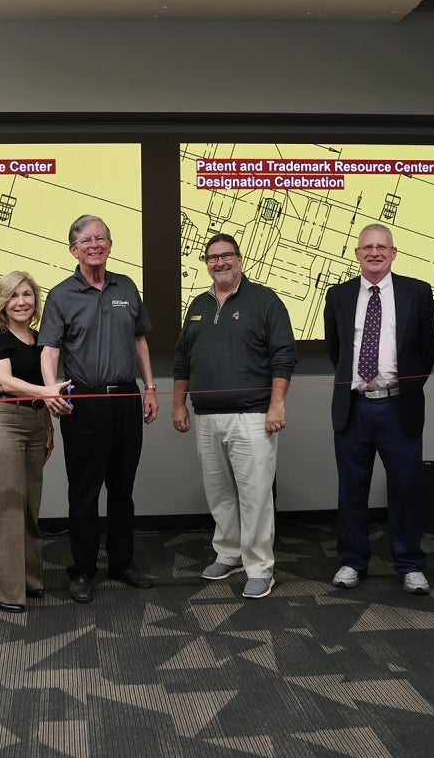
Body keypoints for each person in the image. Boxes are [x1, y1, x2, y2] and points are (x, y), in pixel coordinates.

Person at [40, 214, 159, 604]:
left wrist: (150, 387)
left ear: (110, 244)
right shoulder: (61, 295)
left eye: (101, 238)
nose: (95, 244)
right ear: (73, 249)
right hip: (85, 403)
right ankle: (83, 571)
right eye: (86, 240)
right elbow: (51, 349)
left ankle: (123, 564)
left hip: (126, 399)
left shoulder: (127, 286)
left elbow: (140, 340)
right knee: (85, 493)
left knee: (123, 490)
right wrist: (49, 390)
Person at [172, 234, 296, 599]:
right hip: (207, 417)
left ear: (240, 259)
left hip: (253, 416)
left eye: (226, 256)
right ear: (207, 263)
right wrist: (179, 404)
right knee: (219, 493)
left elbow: (284, 356)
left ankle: (260, 567)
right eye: (213, 258)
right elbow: (182, 359)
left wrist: (277, 405)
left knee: (255, 495)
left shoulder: (265, 301)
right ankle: (228, 553)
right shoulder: (196, 305)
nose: (220, 263)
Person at [323, 223, 434, 594]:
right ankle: (352, 561)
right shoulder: (338, 295)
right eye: (367, 247)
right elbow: (335, 350)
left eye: (381, 247)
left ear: (393, 253)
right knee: (351, 490)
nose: (374, 252)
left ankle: (409, 564)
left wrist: (406, 387)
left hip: (398, 407)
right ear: (357, 253)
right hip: (353, 408)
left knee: (406, 488)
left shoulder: (417, 293)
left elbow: (427, 348)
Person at [0, 271, 71, 613]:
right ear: (3, 301)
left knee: (30, 505)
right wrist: (48, 392)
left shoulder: (38, 339)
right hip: (3, 421)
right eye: (14, 295)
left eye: (27, 295)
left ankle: (28, 580)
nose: (21, 301)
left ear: (36, 301)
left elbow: (40, 390)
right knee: (6, 506)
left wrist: (47, 427)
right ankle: (2, 589)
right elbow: (4, 382)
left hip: (34, 422)